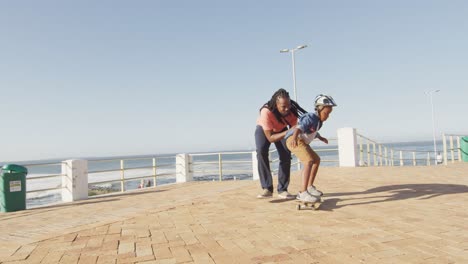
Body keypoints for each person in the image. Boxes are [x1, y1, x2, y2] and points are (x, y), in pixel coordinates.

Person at [285, 94, 337, 203]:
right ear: (319, 109)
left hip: (301, 141)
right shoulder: (311, 117)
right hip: (293, 139)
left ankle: (309, 187)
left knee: (316, 160)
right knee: (308, 161)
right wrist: (294, 137)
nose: (328, 116)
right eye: (326, 113)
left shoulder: (319, 122)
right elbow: (299, 127)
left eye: (329, 114)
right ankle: (302, 193)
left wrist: (320, 137)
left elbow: (312, 131)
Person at [255, 88, 306, 199]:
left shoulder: (291, 111)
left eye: (288, 105)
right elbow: (270, 138)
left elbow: (294, 129)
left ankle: (282, 190)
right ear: (276, 105)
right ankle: (267, 188)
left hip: (281, 128)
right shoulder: (266, 112)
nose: (287, 108)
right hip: (265, 130)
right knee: (261, 152)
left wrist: (294, 138)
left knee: (286, 154)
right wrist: (289, 131)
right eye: (283, 106)